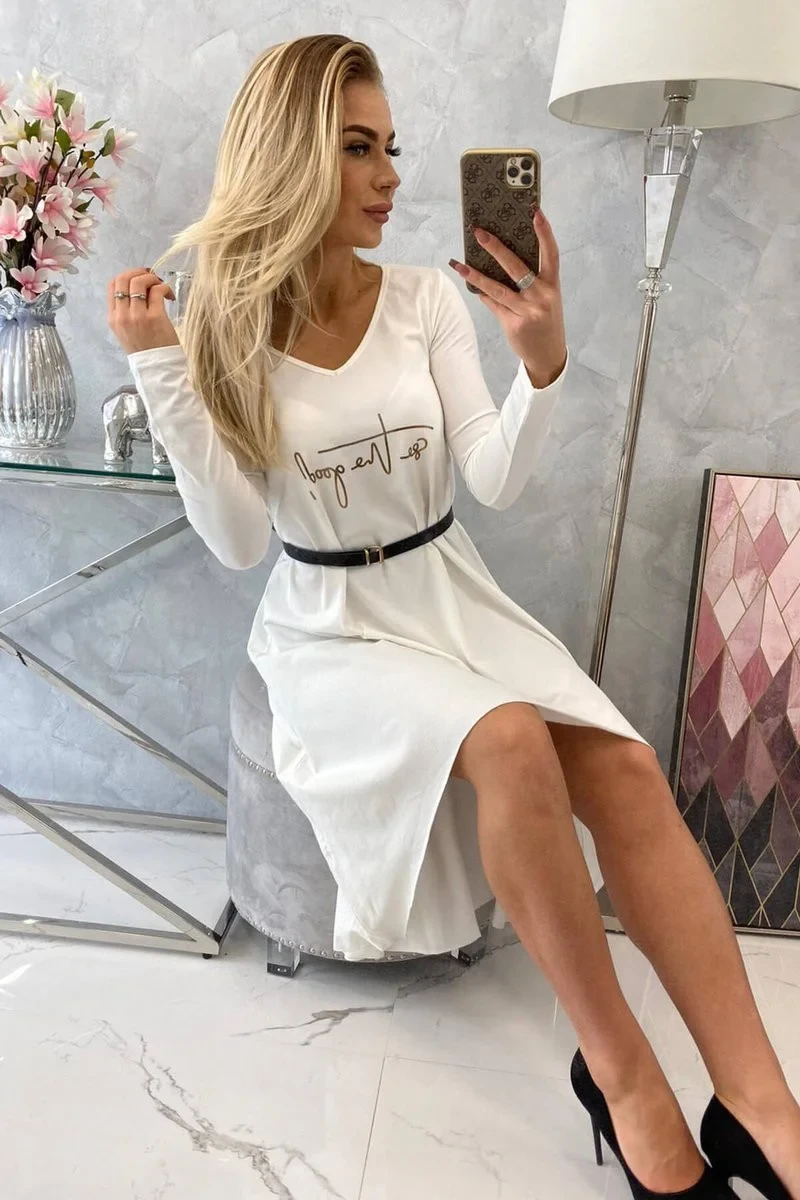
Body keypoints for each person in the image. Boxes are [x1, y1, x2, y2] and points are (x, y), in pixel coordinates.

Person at [108, 32, 800, 1200]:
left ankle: (762, 1110)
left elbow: (491, 477)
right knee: (509, 738)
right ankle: (623, 1081)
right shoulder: (225, 324)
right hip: (331, 625)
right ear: (287, 155)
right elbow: (236, 542)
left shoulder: (424, 298)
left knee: (625, 768)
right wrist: (162, 372)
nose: (390, 175)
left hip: (445, 589)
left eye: (391, 147)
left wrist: (540, 367)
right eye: (357, 148)